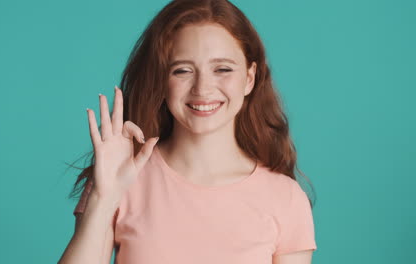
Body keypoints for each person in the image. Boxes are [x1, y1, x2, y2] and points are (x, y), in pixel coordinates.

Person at [58, 0, 317, 263]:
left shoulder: (285, 198)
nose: (202, 89)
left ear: (249, 78)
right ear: (161, 79)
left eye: (223, 69)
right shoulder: (121, 177)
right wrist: (103, 198)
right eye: (182, 70)